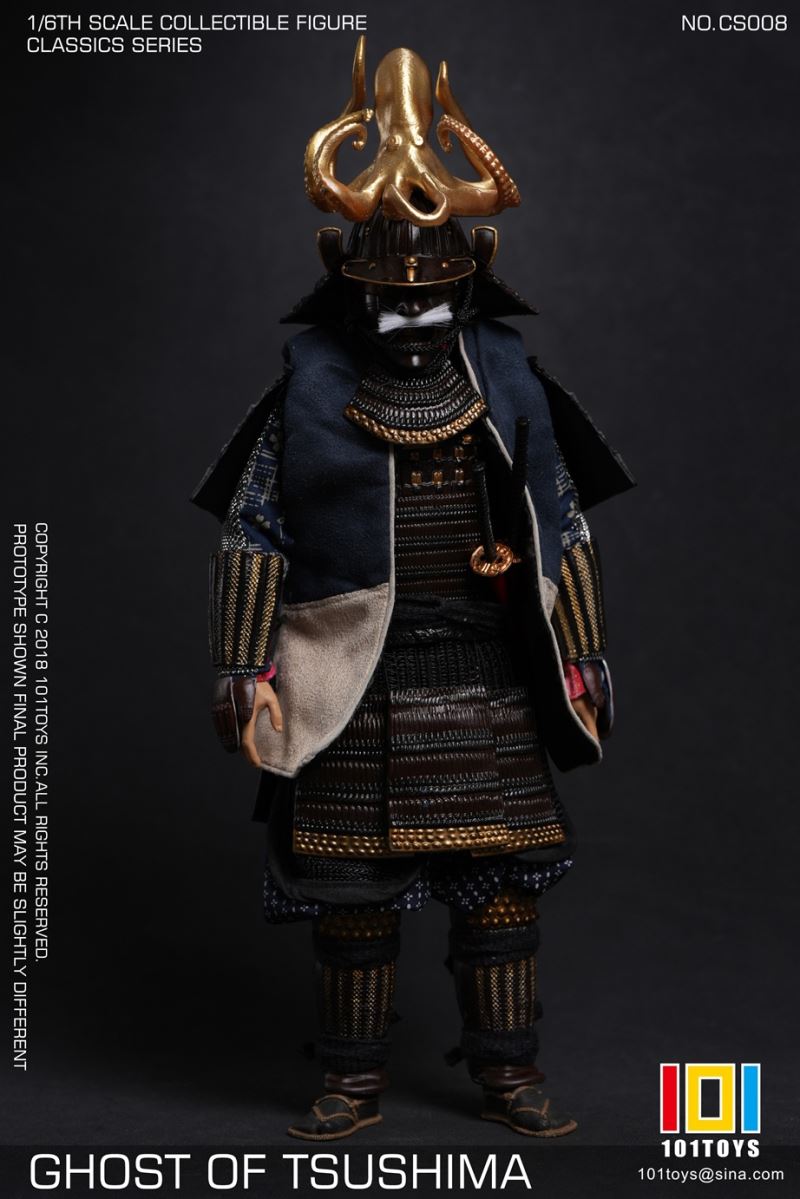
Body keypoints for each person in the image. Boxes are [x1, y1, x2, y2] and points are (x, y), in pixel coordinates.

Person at [193, 38, 633, 1140]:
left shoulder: (511, 384)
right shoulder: (307, 394)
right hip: (349, 679)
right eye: (388, 305)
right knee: (349, 901)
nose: (410, 327)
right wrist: (241, 663)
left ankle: (508, 1071)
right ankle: (351, 1078)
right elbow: (254, 531)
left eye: (431, 303)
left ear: (471, 274)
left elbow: (561, 522)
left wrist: (582, 651)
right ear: (344, 279)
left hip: (489, 676)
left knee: (501, 894)